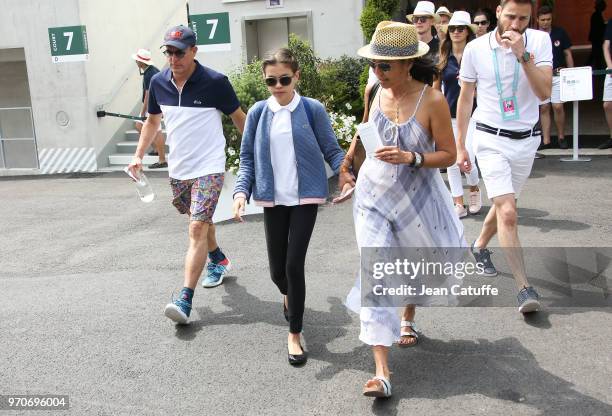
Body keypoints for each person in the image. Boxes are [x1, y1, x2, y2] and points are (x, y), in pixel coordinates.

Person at [342, 21, 465, 398]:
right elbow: (364, 132)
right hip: (374, 200)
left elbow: (449, 154)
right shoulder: (374, 90)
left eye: (385, 67)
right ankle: (382, 371)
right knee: (376, 269)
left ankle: (407, 316)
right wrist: (347, 168)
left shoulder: (432, 100)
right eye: (375, 65)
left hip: (418, 200)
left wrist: (411, 157)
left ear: (408, 64)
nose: (378, 73)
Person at [232, 49, 346, 366]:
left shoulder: (312, 110)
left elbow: (332, 151)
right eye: (271, 80)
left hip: (305, 198)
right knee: (277, 272)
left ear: (296, 76)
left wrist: (348, 176)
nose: (278, 85)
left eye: (284, 79)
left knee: (294, 265)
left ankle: (294, 333)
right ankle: (288, 294)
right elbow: (246, 160)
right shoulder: (257, 113)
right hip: (273, 199)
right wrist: (241, 192)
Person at [127, 25, 247, 324]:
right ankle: (218, 259)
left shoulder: (215, 82)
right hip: (179, 169)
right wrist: (138, 155)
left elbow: (239, 118)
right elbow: (153, 121)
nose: (173, 58)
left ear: (194, 51)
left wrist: (256, 156)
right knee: (200, 221)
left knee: (196, 228)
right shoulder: (158, 82)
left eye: (179, 52)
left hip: (209, 166)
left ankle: (184, 299)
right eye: (168, 52)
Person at [456, 0, 552, 314]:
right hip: (490, 138)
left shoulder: (539, 41)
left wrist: (523, 55)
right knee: (508, 211)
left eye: (523, 18)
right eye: (510, 16)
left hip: (526, 141)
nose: (515, 23)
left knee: (503, 205)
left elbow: (544, 93)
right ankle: (525, 288)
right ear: (498, 11)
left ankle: (479, 246)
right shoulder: (475, 48)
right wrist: (460, 145)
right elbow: (466, 97)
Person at [433, 11, 482, 219]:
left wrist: (473, 88)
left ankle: (474, 187)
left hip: (474, 114)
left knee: (467, 153)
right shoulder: (444, 58)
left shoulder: (476, 55)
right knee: (451, 159)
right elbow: (436, 89)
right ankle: (457, 201)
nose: (455, 32)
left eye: (460, 28)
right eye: (452, 29)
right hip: (449, 114)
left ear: (468, 32)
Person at [537, 5, 574, 152]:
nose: (546, 22)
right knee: (544, 107)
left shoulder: (560, 33)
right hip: (540, 76)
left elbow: (567, 53)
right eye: (543, 20)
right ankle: (545, 140)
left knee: (558, 106)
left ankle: (561, 137)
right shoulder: (533, 36)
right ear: (538, 20)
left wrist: (572, 72)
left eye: (548, 19)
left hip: (558, 74)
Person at [131, 48, 167, 168]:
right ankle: (157, 150)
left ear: (141, 62)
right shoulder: (152, 70)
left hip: (153, 106)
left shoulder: (149, 74)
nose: (136, 62)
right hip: (158, 104)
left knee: (154, 130)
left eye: (137, 60)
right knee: (143, 126)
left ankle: (162, 159)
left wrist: (143, 111)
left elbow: (147, 94)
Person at [600, 18, 612, 149]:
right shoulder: (611, 23)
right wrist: (610, 66)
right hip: (611, 69)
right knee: (607, 104)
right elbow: (606, 46)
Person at [589, 0, 607, 70]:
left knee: (595, 53)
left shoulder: (597, 14)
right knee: (596, 53)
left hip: (596, 38)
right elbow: (599, 27)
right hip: (597, 38)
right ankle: (599, 67)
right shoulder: (597, 15)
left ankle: (595, 66)